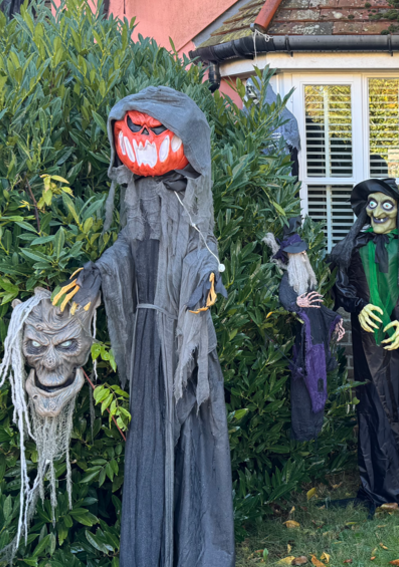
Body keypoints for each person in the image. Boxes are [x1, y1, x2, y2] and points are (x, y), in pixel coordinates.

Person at [54, 86, 234, 567]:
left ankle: (193, 547)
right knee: (151, 435)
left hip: (182, 331)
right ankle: (151, 550)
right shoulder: (135, 194)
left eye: (156, 129)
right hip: (148, 334)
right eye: (135, 128)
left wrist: (207, 277)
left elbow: (203, 247)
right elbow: (128, 249)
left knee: (191, 426)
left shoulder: (190, 196)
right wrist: (98, 273)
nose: (144, 137)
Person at [330, 178, 399, 508]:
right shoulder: (356, 248)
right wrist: (358, 307)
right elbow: (341, 288)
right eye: (372, 204)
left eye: (387, 204)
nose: (377, 211)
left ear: (398, 210)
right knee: (370, 407)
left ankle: (397, 488)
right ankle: (372, 486)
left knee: (398, 408)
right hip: (366, 344)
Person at [266, 217, 345, 441]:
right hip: (303, 350)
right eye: (297, 254)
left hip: (317, 345)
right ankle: (302, 438)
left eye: (303, 253)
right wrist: (295, 304)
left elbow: (318, 307)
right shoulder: (289, 281)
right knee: (303, 393)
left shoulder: (308, 283)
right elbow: (285, 302)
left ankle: (314, 436)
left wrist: (336, 320)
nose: (302, 257)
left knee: (318, 387)